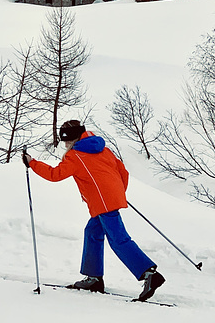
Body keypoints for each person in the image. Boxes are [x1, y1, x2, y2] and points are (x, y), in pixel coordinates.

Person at [22, 120, 165, 302]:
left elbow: (54, 175)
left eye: (66, 141)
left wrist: (32, 163)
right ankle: (94, 278)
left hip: (103, 203)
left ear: (73, 139)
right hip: (107, 200)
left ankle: (149, 274)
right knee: (92, 231)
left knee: (118, 239)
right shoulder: (103, 149)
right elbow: (123, 172)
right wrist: (116, 193)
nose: (65, 144)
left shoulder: (75, 156)